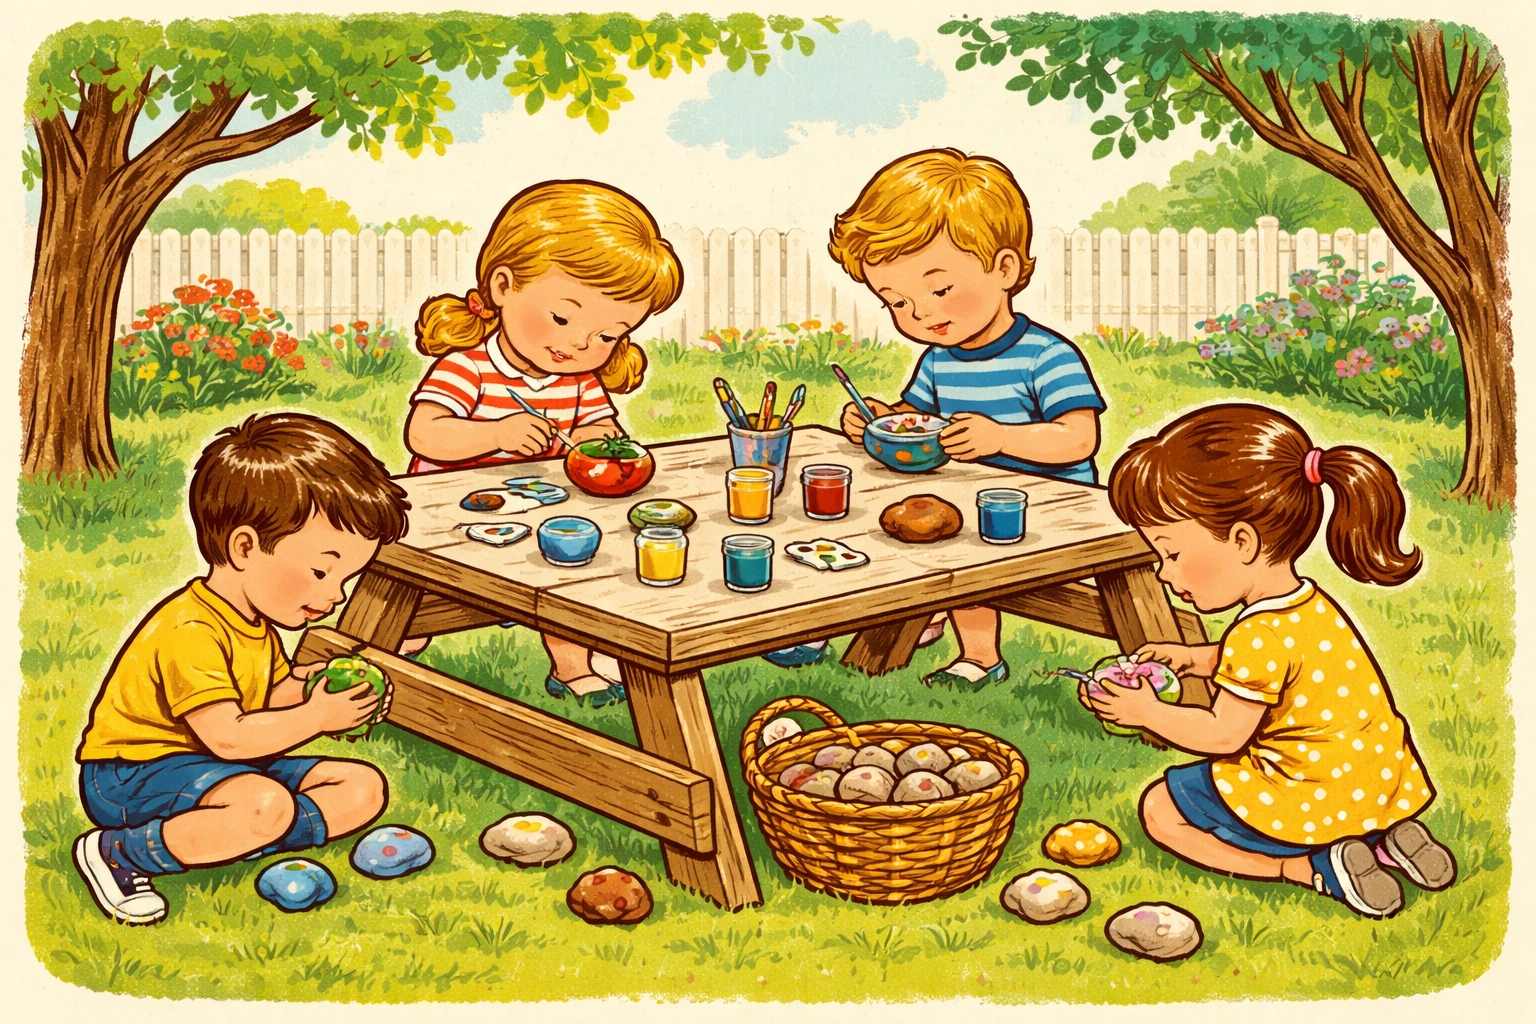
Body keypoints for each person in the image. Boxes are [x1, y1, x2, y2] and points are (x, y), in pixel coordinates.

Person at [1082, 403, 1456, 918]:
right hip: (1379, 781)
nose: (1166, 575)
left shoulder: (1256, 633)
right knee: (1325, 790)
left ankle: (1309, 867)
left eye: (1171, 554)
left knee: (1161, 810)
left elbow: (1223, 735)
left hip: (1306, 794)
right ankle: (1388, 839)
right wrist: (1196, 660)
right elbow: (1284, 673)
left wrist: (1147, 713)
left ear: (1242, 541)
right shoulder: (1309, 606)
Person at [772, 147, 1105, 684]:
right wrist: (879, 418)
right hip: (960, 498)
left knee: (960, 551)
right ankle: (827, 622)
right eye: (896, 303)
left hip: (1043, 510)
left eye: (939, 289)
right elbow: (915, 415)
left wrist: (1001, 438)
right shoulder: (938, 360)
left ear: (1005, 269)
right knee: (872, 518)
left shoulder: (1047, 356)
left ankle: (979, 656)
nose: (919, 312)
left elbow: (1077, 440)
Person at [73, 413, 412, 925]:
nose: (333, 595)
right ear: (245, 547)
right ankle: (118, 853)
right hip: (133, 775)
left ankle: (233, 835)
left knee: (362, 788)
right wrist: (317, 717)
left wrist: (321, 690)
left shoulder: (257, 624)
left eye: (345, 579)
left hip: (221, 770)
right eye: (322, 571)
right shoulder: (190, 630)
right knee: (263, 802)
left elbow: (272, 695)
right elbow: (228, 738)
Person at [402, 180, 682, 706]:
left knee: (577, 562)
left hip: (543, 514)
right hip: (453, 519)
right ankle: (400, 642)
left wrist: (593, 443)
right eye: (563, 317)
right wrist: (497, 433)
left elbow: (602, 431)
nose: (581, 343)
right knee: (411, 615)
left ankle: (573, 667)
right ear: (504, 287)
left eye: (607, 337)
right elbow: (425, 432)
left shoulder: (578, 380)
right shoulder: (470, 368)